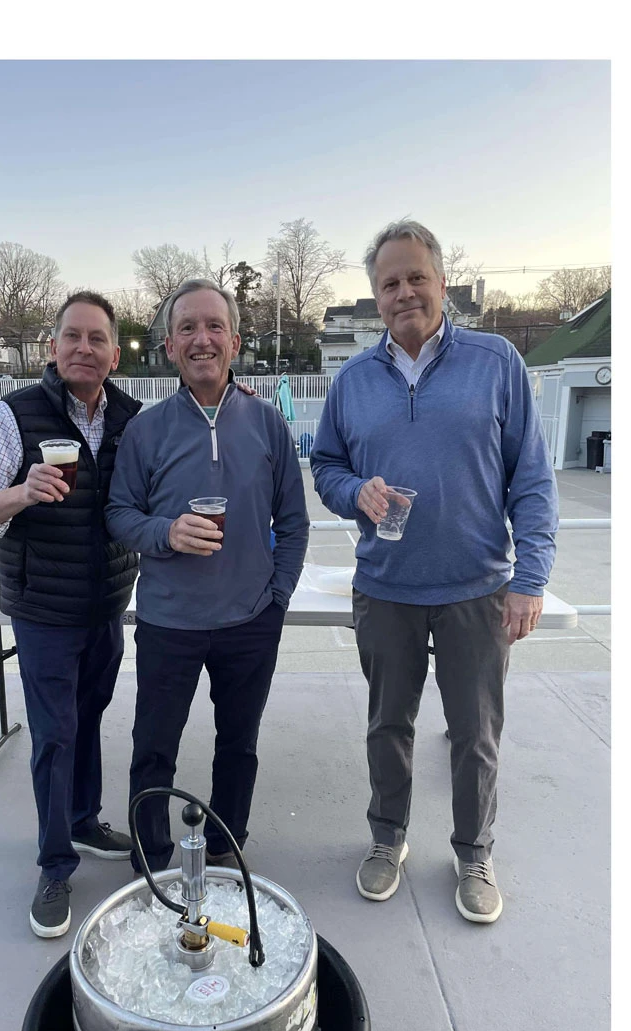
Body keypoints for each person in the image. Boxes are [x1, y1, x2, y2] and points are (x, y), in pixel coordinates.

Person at [310, 220, 558, 924]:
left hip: (477, 589)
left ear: (442, 283)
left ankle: (474, 853)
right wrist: (353, 493)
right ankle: (388, 839)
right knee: (387, 724)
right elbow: (325, 467)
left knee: (475, 734)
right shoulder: (353, 381)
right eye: (389, 283)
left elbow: (532, 480)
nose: (403, 292)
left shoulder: (496, 361)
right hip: (385, 588)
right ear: (374, 298)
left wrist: (530, 578)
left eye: (416, 277)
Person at [0, 291, 142, 938]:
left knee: (87, 721)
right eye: (72, 337)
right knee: (54, 735)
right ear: (53, 348)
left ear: (115, 355)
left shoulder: (130, 418)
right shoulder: (14, 416)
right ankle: (55, 863)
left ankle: (85, 820)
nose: (83, 348)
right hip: (43, 610)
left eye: (97, 339)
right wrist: (22, 491)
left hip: (106, 605)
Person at [105, 279, 309, 875]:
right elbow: (119, 514)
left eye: (214, 327)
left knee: (238, 746)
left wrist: (278, 597)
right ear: (168, 346)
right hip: (169, 622)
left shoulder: (268, 423)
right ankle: (152, 857)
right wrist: (166, 533)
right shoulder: (146, 429)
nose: (202, 339)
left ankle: (224, 845)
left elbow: (293, 522)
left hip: (251, 620)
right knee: (153, 750)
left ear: (235, 341)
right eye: (188, 328)